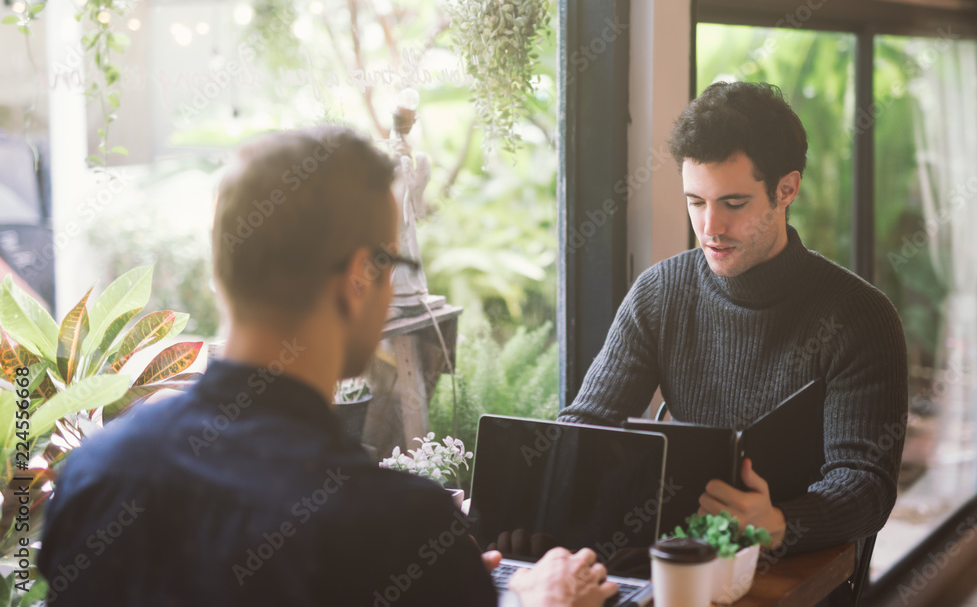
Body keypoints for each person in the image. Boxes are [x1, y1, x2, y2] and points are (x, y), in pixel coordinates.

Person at [38, 126, 618, 607]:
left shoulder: (95, 476)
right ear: (358, 277)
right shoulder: (399, 532)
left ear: (221, 272)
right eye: (393, 263)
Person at [559, 81, 908, 557]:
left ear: (786, 189)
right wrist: (532, 504)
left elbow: (866, 485)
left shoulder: (859, 317)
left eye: (733, 203)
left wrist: (778, 523)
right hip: (682, 556)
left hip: (794, 565)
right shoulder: (660, 293)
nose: (709, 228)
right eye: (695, 201)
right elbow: (587, 427)